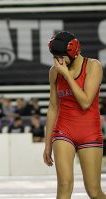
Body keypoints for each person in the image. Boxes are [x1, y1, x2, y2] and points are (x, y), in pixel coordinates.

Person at [43, 31, 106, 199]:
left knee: (93, 191)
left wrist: (67, 76)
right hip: (63, 130)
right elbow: (53, 107)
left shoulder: (93, 66)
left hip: (89, 132)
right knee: (64, 185)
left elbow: (85, 102)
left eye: (61, 57)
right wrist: (47, 144)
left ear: (73, 51)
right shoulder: (54, 72)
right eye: (55, 58)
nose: (58, 62)